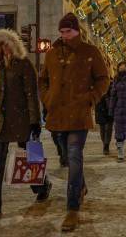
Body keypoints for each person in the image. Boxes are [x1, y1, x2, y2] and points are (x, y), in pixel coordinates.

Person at [39, 12, 109, 232]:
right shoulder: (51, 54)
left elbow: (103, 79)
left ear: (77, 31)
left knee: (74, 155)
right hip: (57, 115)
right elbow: (43, 80)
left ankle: (72, 208)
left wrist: (91, 98)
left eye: (68, 31)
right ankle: (81, 186)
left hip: (78, 114)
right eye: (61, 32)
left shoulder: (89, 52)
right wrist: (47, 98)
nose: (64, 35)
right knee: (67, 158)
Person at [0, 28, 52, 223]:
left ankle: (43, 186)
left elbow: (31, 94)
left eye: (7, 44)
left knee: (29, 157)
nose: (4, 49)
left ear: (14, 44)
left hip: (22, 119)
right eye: (0, 46)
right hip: (2, 121)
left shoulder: (24, 64)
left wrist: (35, 121)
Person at [95, 81, 114, 155]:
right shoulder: (96, 83)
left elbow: (114, 95)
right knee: (102, 130)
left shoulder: (112, 84)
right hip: (100, 109)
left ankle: (106, 145)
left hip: (109, 109)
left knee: (108, 129)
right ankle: (104, 143)